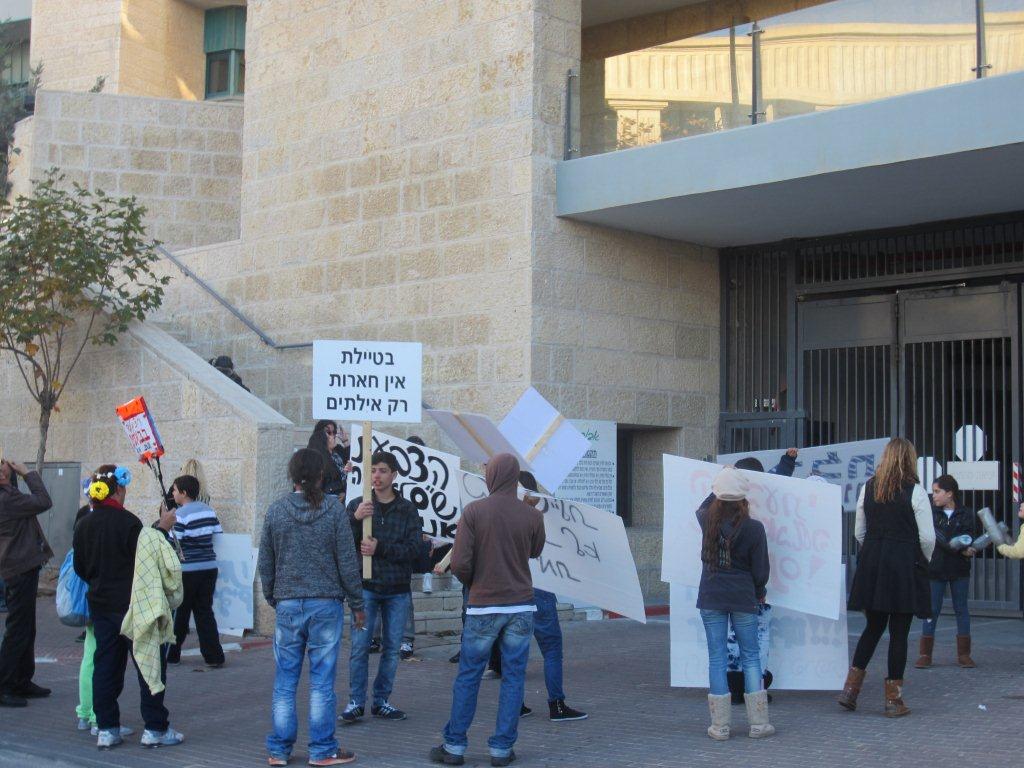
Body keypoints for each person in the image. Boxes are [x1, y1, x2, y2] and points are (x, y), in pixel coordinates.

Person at [430, 453, 545, 767]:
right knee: (513, 677)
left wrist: (476, 583)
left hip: (483, 605)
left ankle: (454, 746)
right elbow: (535, 551)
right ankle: (501, 748)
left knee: (469, 675)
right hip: (521, 603)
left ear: (491, 476)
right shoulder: (531, 515)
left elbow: (460, 563)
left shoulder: (474, 511)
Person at [258, 448, 365, 767]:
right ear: (322, 476)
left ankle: (279, 749)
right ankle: (322, 749)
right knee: (321, 680)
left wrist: (273, 596)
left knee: (285, 680)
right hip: (325, 604)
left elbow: (266, 561)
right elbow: (347, 561)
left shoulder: (276, 511)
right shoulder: (333, 510)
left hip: (289, 603)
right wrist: (358, 603)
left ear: (292, 477)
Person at [73, 465, 183, 749]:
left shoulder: (84, 523)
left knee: (105, 666)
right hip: (134, 607)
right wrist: (162, 527)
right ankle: (155, 728)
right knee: (149, 666)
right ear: (118, 490)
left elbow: (80, 567)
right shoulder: (129, 523)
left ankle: (107, 729)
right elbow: (148, 558)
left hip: (100, 605)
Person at [839, 438, 934, 717]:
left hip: (874, 563)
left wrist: (873, 550)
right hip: (904, 563)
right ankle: (893, 700)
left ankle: (850, 690)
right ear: (909, 459)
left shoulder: (869, 487)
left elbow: (859, 531)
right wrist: (921, 559)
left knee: (873, 627)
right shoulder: (915, 492)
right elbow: (927, 537)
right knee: (899, 632)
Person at [485, 471, 587, 722]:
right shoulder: (537, 518)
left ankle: (515, 703)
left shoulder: (498, 517)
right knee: (551, 649)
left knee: (514, 650)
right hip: (538, 586)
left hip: (510, 589)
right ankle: (557, 704)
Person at [340, 451, 425, 724]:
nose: (376, 476)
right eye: (373, 470)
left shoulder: (407, 509)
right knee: (360, 646)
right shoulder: (359, 504)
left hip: (397, 589)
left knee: (391, 648)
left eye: (383, 470)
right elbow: (339, 540)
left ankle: (381, 700)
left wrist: (381, 548)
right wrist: (354, 518)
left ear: (394, 474)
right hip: (365, 589)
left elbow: (414, 549)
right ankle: (355, 701)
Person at [696, 467, 774, 741]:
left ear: (718, 495)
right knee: (751, 656)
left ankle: (720, 727)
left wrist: (723, 478)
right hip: (743, 596)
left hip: (711, 595)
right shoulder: (754, 528)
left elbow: (704, 504)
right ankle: (759, 724)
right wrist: (759, 591)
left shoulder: (707, 520)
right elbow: (761, 570)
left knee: (717, 658)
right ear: (743, 498)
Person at [0, 458, 53, 708]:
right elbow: (44, 501)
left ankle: (21, 680)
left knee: (26, 628)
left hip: (22, 567)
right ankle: (6, 685)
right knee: (18, 630)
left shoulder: (10, 494)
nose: (5, 467)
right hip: (18, 568)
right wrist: (27, 472)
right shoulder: (7, 499)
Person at [915, 474, 977, 669]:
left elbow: (969, 536)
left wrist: (968, 546)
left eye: (937, 491)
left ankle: (964, 655)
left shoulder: (966, 514)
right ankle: (925, 654)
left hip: (959, 568)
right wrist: (957, 544)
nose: (934, 495)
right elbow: (933, 536)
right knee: (931, 609)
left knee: (961, 609)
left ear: (949, 494)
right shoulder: (931, 514)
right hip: (935, 568)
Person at [166, 474, 225, 667]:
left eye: (174, 490)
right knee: (204, 612)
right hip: (209, 568)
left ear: (183, 493)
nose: (173, 493)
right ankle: (214, 656)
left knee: (180, 613)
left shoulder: (180, 515)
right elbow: (217, 533)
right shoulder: (209, 511)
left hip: (187, 570)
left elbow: (173, 541)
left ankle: (171, 654)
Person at [308, 421, 348, 499]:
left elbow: (353, 461)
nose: (333, 436)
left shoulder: (338, 449)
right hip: (328, 500)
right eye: (328, 432)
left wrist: (345, 441)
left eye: (334, 432)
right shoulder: (314, 455)